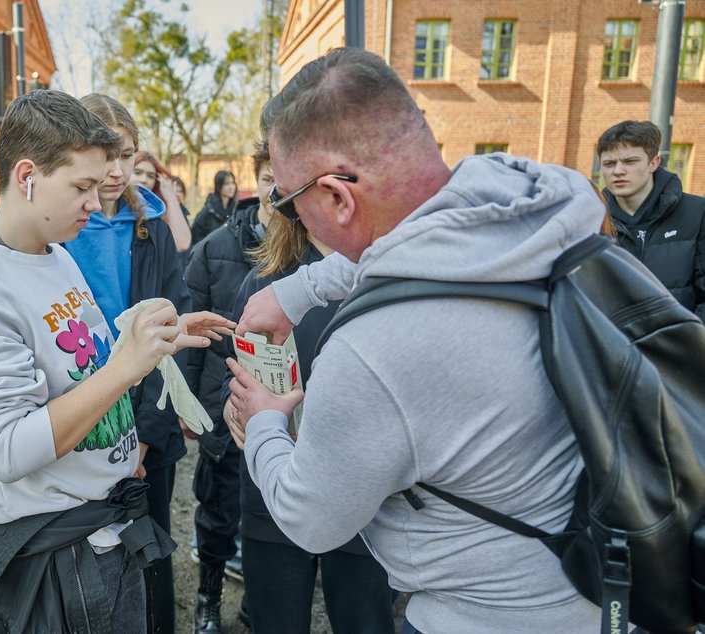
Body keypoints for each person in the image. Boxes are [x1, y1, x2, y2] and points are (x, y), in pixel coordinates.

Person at [227, 48, 607, 633]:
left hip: (487, 617)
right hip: (605, 580)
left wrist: (264, 424)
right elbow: (416, 244)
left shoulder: (373, 352)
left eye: (286, 199)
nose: (289, 216)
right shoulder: (538, 209)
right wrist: (298, 290)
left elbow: (310, 519)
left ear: (336, 197)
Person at [0, 89, 232, 632]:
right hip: (48, 559)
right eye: (81, 186)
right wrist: (124, 370)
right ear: (27, 174)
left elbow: (72, 357)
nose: (96, 200)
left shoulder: (54, 252)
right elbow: (10, 450)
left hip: (100, 534)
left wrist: (159, 338)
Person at [224, 178, 396, 634]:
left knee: (365, 621)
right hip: (274, 488)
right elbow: (242, 370)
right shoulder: (264, 282)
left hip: (364, 495)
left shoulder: (387, 274)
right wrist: (235, 405)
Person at [67, 93, 192, 634]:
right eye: (106, 155)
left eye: (128, 155)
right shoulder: (61, 230)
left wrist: (142, 436)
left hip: (147, 421)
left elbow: (174, 330)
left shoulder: (153, 228)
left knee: (149, 545)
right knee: (85, 551)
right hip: (81, 419)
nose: (116, 171)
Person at [182, 141, 274, 633]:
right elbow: (191, 339)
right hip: (225, 406)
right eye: (267, 176)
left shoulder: (311, 250)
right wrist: (191, 406)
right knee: (217, 510)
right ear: (252, 180)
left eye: (286, 175)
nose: (276, 187)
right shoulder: (215, 249)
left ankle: (262, 598)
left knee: (273, 516)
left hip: (283, 412)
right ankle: (207, 598)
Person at [597, 120, 705, 321]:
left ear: (654, 163)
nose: (618, 171)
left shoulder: (698, 214)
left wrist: (689, 346)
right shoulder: (591, 218)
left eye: (630, 161)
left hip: (680, 347)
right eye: (609, 163)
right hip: (610, 348)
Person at [132, 151, 192, 255]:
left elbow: (181, 244)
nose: (144, 180)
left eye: (150, 176)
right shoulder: (112, 205)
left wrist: (171, 198)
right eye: (137, 172)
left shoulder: (157, 212)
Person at [191, 170, 237, 246]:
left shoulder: (235, 209)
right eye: (226, 184)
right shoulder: (209, 209)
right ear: (219, 186)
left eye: (233, 183)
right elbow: (196, 232)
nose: (231, 187)